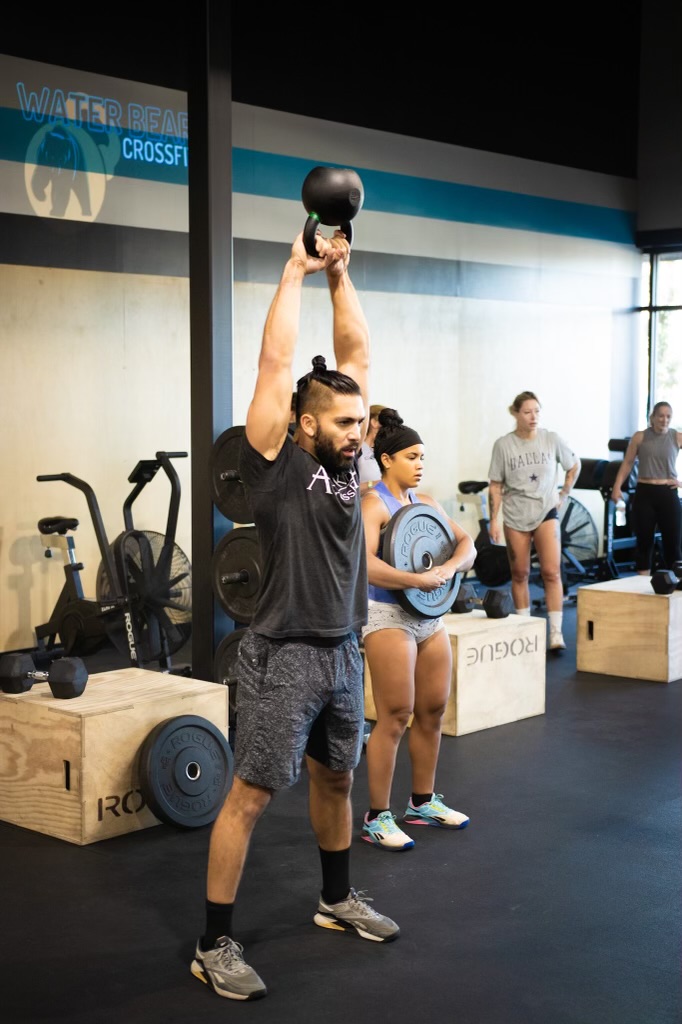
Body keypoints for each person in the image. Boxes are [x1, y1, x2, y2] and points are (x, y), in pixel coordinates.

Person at [191, 230, 399, 1002]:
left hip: (344, 649)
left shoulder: (353, 461)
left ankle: (336, 898)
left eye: (360, 422)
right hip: (282, 655)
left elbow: (359, 356)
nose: (358, 432)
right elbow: (276, 366)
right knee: (248, 797)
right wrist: (295, 271)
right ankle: (213, 944)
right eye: (344, 423)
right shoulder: (276, 463)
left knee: (336, 783)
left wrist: (344, 273)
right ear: (306, 425)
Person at [360, 408, 476, 851]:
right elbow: (364, 565)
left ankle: (422, 803)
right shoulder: (373, 504)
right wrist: (414, 579)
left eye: (423, 456)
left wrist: (446, 567)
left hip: (430, 616)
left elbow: (467, 545)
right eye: (411, 456)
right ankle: (377, 815)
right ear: (387, 459)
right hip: (388, 615)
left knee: (433, 709)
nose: (420, 463)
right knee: (395, 715)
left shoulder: (426, 504)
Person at [487, 391, 581, 652]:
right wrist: (494, 520)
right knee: (520, 573)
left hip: (546, 511)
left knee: (551, 572)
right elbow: (495, 485)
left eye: (537, 411)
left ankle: (555, 632)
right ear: (515, 413)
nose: (533, 417)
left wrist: (564, 494)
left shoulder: (551, 439)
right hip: (516, 514)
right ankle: (524, 630)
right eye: (527, 412)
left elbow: (574, 465)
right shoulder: (503, 445)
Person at [610, 401, 682, 573]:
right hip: (645, 493)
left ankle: (677, 590)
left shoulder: (676, 437)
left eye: (668, 417)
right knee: (643, 544)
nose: (664, 420)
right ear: (653, 417)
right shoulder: (640, 437)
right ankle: (641, 589)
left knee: (673, 545)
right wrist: (616, 487)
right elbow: (627, 463)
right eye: (661, 416)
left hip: (668, 492)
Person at [357, 403, 387, 494]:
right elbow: (345, 490)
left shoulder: (386, 452)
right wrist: (374, 484)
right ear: (374, 422)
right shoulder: (356, 450)